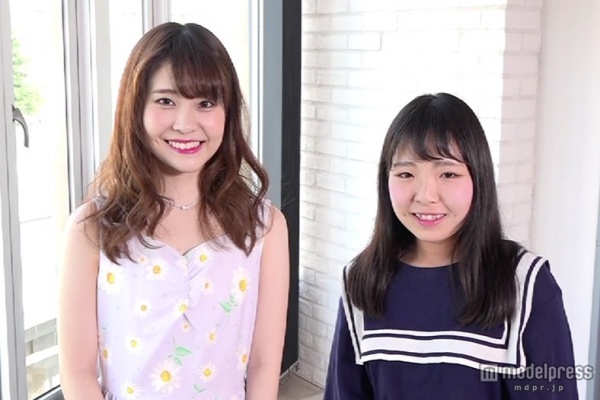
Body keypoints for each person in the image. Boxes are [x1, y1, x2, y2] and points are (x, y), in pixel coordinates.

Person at [57, 22, 290, 400]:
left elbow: (264, 363)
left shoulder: (263, 225)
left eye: (205, 103)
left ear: (228, 112)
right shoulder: (91, 228)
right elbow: (77, 373)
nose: (185, 124)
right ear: (135, 108)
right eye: (166, 101)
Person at [324, 93, 578, 399]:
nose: (425, 195)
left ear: (478, 178)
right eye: (406, 174)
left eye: (448, 174)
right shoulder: (361, 280)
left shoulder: (524, 282)